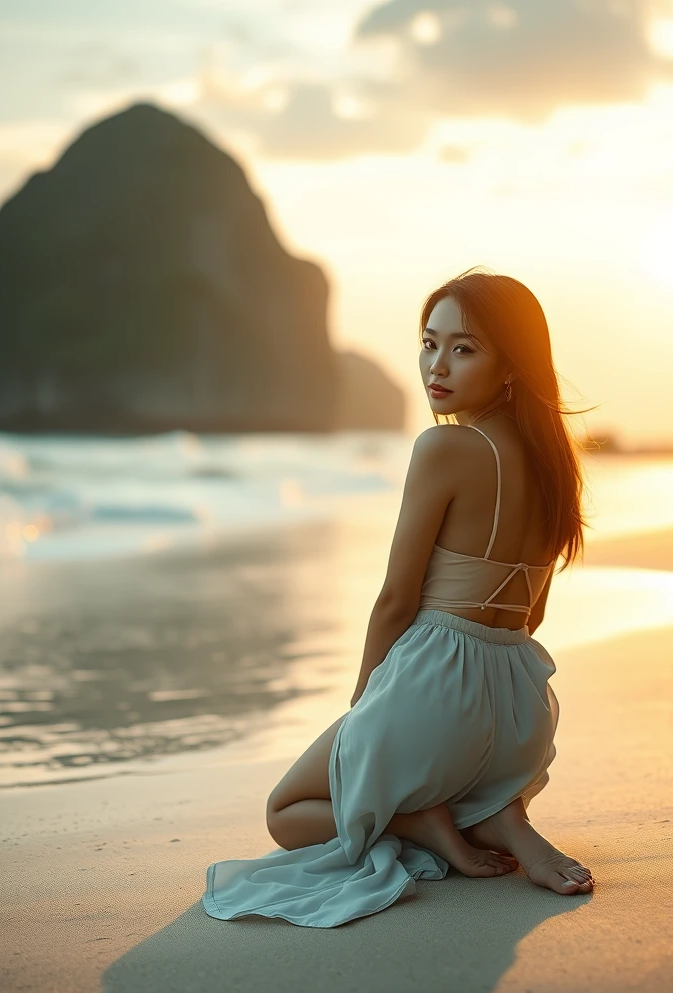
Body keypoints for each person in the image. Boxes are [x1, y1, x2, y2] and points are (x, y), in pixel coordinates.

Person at [203, 269, 594, 928]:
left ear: (509, 365)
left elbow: (394, 599)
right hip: (523, 708)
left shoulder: (446, 446)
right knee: (415, 759)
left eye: (464, 348)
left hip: (437, 691)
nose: (436, 365)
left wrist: (366, 703)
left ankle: (420, 819)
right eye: (429, 342)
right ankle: (495, 810)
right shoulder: (554, 460)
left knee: (285, 812)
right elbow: (534, 615)